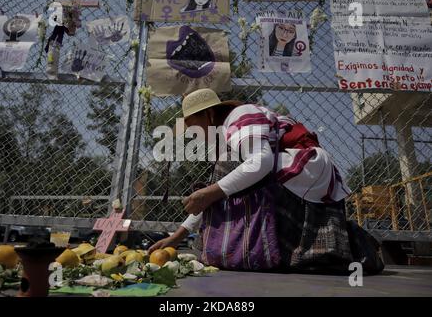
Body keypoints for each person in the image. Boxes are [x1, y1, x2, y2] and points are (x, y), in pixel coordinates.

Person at [149, 89, 353, 271]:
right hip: (300, 177)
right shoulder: (233, 132)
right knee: (226, 173)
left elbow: (260, 162)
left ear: (209, 115)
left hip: (304, 169)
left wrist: (210, 192)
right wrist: (177, 237)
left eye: (195, 126)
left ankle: (246, 249)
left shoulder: (240, 115)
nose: (197, 135)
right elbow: (216, 192)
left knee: (226, 167)